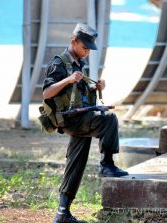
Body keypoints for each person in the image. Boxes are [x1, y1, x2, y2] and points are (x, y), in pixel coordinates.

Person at [42, 23, 128, 223]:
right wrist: (68, 80)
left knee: (76, 163)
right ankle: (107, 164)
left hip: (79, 117)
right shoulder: (59, 64)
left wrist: (96, 87)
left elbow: (78, 94)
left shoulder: (79, 63)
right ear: (73, 41)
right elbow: (47, 93)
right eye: (85, 47)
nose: (88, 51)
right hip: (70, 119)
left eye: (90, 48)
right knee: (108, 120)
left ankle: (62, 212)